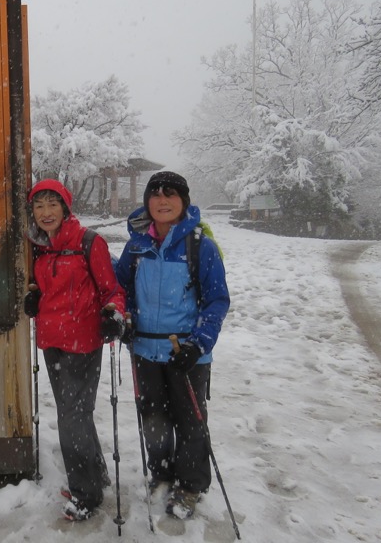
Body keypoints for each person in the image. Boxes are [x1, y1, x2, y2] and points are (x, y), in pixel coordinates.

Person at [114, 171, 230, 519]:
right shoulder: (136, 245)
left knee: (190, 420)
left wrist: (199, 343)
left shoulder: (200, 246)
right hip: (144, 350)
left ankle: (191, 485)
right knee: (154, 418)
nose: (162, 201)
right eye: (156, 194)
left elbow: (217, 300)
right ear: (148, 202)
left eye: (171, 194)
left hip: (186, 353)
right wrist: (121, 317)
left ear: (183, 202)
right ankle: (161, 473)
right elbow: (120, 288)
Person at [24, 179, 127, 521]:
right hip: (51, 342)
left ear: (66, 208)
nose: (46, 212)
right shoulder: (40, 246)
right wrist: (34, 295)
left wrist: (113, 313)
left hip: (83, 342)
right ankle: (95, 474)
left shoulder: (88, 242)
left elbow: (112, 290)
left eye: (53, 204)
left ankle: (86, 494)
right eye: (39, 206)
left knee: (72, 418)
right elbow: (41, 284)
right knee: (74, 415)